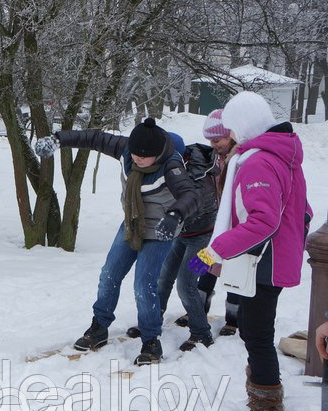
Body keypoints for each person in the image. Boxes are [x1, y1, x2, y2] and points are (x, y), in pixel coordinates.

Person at [188, 91, 312, 411]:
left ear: (241, 126)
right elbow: (304, 210)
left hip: (263, 264)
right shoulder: (282, 154)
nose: (227, 135)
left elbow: (262, 221)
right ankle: (263, 395)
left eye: (230, 127)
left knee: (256, 335)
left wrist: (213, 252)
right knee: (255, 331)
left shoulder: (258, 160)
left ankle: (267, 408)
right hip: (273, 258)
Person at [35, 118, 198, 365]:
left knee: (144, 285)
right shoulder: (127, 150)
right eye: (135, 154)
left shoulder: (172, 165)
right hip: (132, 224)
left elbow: (190, 195)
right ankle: (99, 328)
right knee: (109, 274)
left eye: (145, 157)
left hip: (160, 230)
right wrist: (59, 139)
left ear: (158, 155)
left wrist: (175, 215)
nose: (138, 160)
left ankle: (151, 342)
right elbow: (94, 138)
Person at [127, 129, 219, 351]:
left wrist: (169, 213)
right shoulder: (173, 170)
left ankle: (201, 332)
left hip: (204, 240)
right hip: (181, 235)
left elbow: (193, 206)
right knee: (163, 278)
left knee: (186, 284)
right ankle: (152, 320)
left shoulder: (197, 176)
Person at [196, 109, 240, 337]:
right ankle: (197, 309)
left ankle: (233, 318)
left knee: (234, 272)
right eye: (210, 140)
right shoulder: (214, 159)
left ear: (231, 136)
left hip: (234, 228)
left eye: (217, 139)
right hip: (213, 226)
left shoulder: (240, 159)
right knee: (201, 265)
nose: (213, 144)